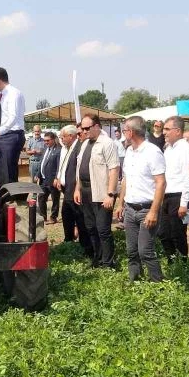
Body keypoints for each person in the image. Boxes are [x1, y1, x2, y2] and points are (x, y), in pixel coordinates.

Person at [115, 116, 166, 282]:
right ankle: (135, 281)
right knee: (132, 250)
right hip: (130, 209)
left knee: (145, 250)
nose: (123, 133)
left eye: (124, 130)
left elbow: (161, 183)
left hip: (146, 209)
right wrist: (120, 203)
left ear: (131, 132)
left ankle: (158, 284)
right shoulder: (129, 152)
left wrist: (153, 211)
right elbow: (126, 180)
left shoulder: (152, 152)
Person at [74, 114, 120, 269]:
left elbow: (114, 169)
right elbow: (79, 169)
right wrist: (77, 189)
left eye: (87, 128)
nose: (84, 131)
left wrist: (110, 194)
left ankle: (108, 262)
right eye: (83, 128)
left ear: (97, 126)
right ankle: (97, 258)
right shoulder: (85, 144)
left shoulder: (107, 143)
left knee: (103, 230)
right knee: (91, 228)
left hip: (101, 193)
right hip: (86, 191)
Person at [159, 116, 189, 262]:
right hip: (166, 195)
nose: (164, 132)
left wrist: (184, 203)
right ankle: (172, 260)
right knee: (163, 232)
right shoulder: (168, 149)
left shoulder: (186, 149)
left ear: (178, 131)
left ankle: (182, 264)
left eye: (167, 129)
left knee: (177, 233)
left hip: (178, 196)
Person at [55, 124, 93, 257]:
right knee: (66, 215)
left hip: (74, 191)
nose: (62, 139)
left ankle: (85, 247)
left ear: (71, 136)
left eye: (63, 137)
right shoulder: (69, 148)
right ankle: (69, 241)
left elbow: (78, 171)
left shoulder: (79, 147)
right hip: (67, 190)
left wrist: (77, 188)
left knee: (79, 219)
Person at [0, 67, 26, 183]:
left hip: (11, 136)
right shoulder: (4, 95)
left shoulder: (14, 94)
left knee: (7, 171)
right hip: (3, 136)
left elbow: (12, 117)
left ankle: (9, 199)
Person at [37, 131, 61, 224]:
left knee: (55, 199)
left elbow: (59, 166)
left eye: (48, 140)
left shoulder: (59, 150)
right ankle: (43, 217)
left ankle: (53, 217)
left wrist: (56, 178)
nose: (46, 142)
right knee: (41, 198)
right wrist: (38, 175)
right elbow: (42, 163)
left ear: (53, 140)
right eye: (44, 140)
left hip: (52, 179)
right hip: (43, 180)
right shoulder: (45, 149)